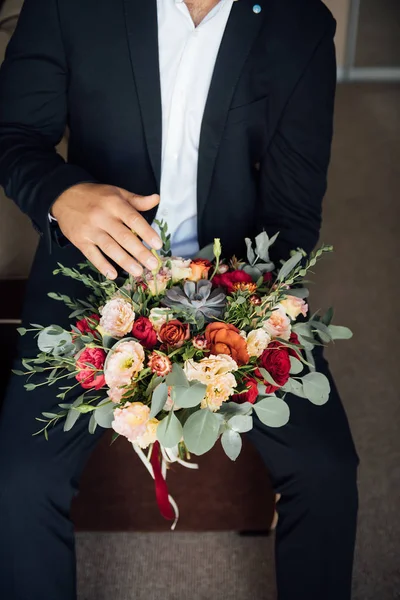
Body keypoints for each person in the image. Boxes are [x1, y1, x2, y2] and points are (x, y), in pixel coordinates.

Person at [0, 1, 359, 598]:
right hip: (93, 269)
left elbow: (293, 215)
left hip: (238, 285)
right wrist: (61, 194)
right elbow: (14, 133)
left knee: (329, 473)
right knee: (18, 479)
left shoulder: (300, 24)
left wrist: (242, 317)